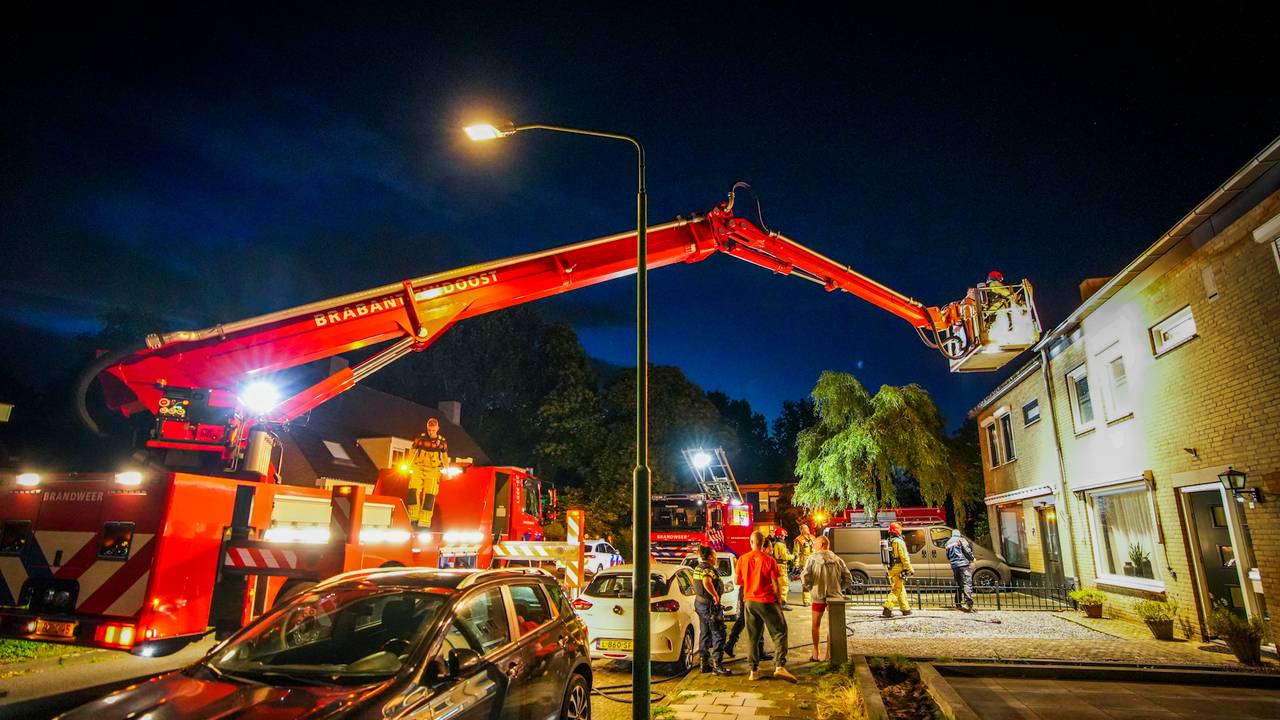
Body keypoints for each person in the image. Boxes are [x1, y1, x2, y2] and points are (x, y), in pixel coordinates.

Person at [735, 530, 795, 682]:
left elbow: (737, 581)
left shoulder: (742, 559)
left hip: (749, 602)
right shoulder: (769, 560)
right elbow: (776, 584)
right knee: (780, 632)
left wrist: (749, 583)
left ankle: (753, 671)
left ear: (751, 542)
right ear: (763, 544)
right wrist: (779, 601)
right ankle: (780, 666)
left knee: (753, 637)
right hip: (767, 601)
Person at [801, 535, 852, 662]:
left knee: (815, 624)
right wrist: (839, 588)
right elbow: (848, 578)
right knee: (832, 625)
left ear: (821, 544)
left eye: (815, 544)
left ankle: (815, 652)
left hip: (818, 596)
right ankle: (828, 654)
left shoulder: (812, 559)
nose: (813, 546)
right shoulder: (838, 559)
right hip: (835, 597)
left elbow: (805, 577)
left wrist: (811, 588)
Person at [691, 545, 733, 676]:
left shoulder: (697, 568)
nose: (716, 558)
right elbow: (706, 581)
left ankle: (704, 663)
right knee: (718, 634)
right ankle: (717, 665)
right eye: (714, 556)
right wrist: (715, 595)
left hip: (700, 604)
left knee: (705, 632)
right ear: (709, 557)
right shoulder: (708, 569)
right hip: (710, 606)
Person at [407, 417, 450, 528]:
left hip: (433, 470)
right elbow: (412, 452)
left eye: (433, 430)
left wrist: (447, 471)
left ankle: (424, 523)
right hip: (418, 467)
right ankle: (413, 518)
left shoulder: (442, 442)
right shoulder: (420, 439)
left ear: (437, 429)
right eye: (429, 430)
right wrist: (408, 465)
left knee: (429, 496)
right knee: (413, 491)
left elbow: (445, 456)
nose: (431, 432)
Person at [880, 522, 914, 618]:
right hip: (899, 568)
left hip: (891, 568)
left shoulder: (889, 541)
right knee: (896, 589)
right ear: (898, 531)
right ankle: (887, 609)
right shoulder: (899, 542)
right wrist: (910, 569)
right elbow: (904, 557)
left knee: (900, 589)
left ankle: (905, 609)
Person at [945, 529, 975, 612]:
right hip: (963, 564)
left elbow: (948, 556)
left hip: (954, 566)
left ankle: (958, 602)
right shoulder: (961, 540)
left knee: (958, 584)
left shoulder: (948, 543)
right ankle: (968, 604)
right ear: (959, 534)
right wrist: (972, 558)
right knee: (966, 583)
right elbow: (967, 551)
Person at [769, 534, 794, 610]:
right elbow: (784, 556)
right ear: (780, 536)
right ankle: (783, 603)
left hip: (778, 565)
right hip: (781, 566)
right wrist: (793, 556)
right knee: (784, 584)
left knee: (779, 584)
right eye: (783, 536)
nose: (784, 537)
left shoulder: (776, 544)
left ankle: (779, 602)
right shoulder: (780, 544)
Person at [795, 525, 815, 605]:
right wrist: (796, 564)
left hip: (814, 561)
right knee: (806, 582)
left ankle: (815, 598)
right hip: (804, 563)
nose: (807, 529)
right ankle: (806, 600)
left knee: (814, 581)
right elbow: (796, 552)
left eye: (808, 527)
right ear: (801, 530)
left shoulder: (813, 537)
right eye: (805, 528)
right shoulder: (798, 540)